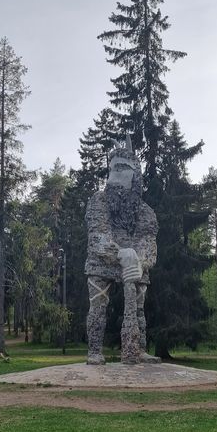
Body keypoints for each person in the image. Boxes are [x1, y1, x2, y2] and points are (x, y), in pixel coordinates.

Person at [84, 135, 159, 365]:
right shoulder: (99, 201)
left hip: (134, 266)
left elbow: (148, 241)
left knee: (138, 308)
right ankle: (95, 351)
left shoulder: (145, 211)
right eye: (112, 169)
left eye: (122, 168)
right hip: (102, 264)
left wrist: (139, 260)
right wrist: (119, 252)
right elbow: (97, 235)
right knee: (98, 306)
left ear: (136, 174)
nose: (114, 176)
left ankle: (139, 348)